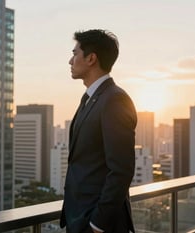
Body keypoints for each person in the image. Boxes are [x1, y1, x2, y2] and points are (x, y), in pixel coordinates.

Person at [60, 29, 137, 233]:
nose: (70, 60)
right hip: (79, 218)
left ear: (91, 58)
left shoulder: (114, 99)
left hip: (100, 225)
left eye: (75, 53)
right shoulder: (90, 99)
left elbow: (121, 169)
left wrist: (97, 225)